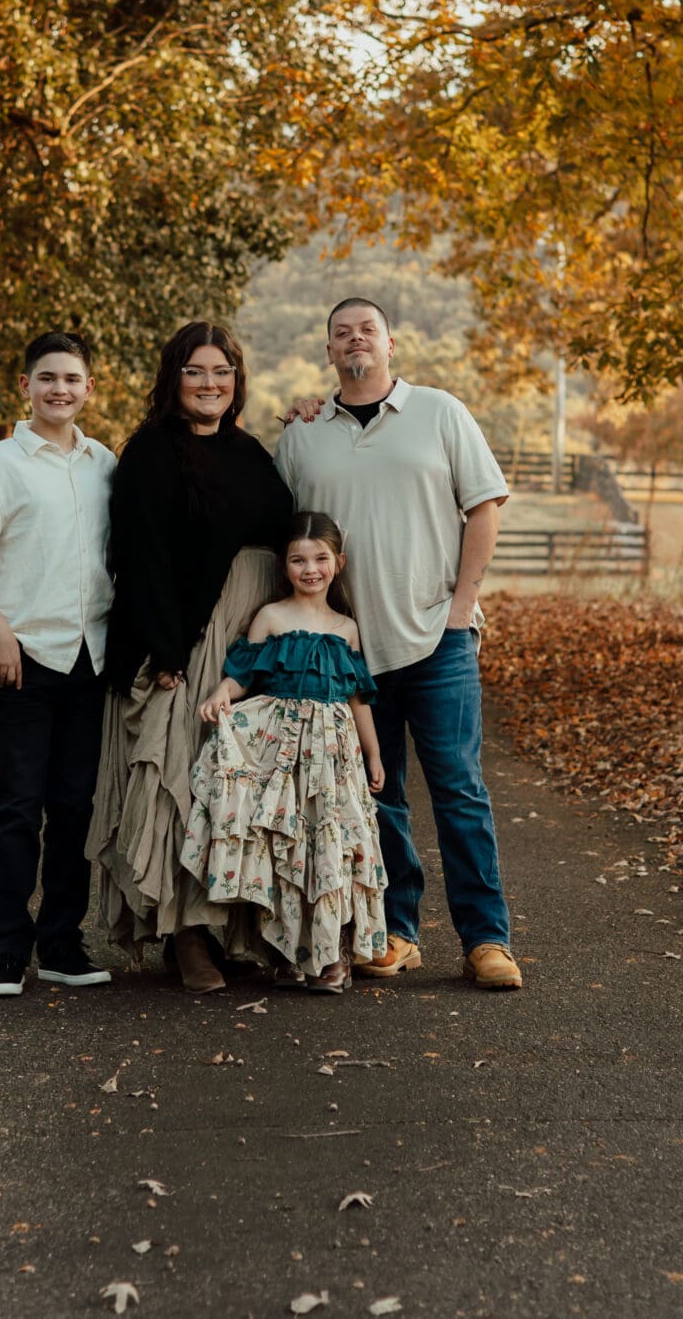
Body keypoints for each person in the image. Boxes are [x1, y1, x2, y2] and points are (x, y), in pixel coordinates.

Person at [273, 297, 523, 991]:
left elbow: (485, 504)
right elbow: (281, 533)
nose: (355, 339)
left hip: (437, 640)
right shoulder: (304, 434)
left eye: (367, 330)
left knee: (460, 790)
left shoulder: (440, 412)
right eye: (341, 332)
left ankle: (487, 938)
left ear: (391, 343)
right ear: (329, 351)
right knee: (376, 795)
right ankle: (396, 932)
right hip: (349, 651)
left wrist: (462, 604)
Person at [87, 321, 292, 993]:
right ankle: (184, 932)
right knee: (179, 780)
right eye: (196, 371)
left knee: (235, 788)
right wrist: (167, 647)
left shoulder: (253, 451)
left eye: (222, 372)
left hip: (249, 642)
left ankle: (228, 923)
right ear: (173, 379)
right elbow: (139, 556)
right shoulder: (150, 453)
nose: (210, 384)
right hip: (184, 639)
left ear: (238, 381)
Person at [0, 330, 118, 999]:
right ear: (25, 387)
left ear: (88, 388)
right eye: (47, 378)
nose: (60, 390)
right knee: (19, 808)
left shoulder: (104, 464)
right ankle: (6, 950)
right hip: (20, 661)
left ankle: (62, 944)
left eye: (72, 379)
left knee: (75, 806)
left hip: (88, 657)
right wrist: (1, 635)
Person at [184, 511, 388, 992]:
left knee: (331, 844)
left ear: (338, 562)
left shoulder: (346, 629)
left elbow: (358, 699)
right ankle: (287, 950)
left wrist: (374, 754)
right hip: (279, 753)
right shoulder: (271, 617)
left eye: (320, 558)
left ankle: (333, 954)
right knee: (285, 848)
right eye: (298, 559)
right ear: (284, 565)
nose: (309, 569)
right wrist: (221, 694)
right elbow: (245, 673)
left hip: (332, 756)